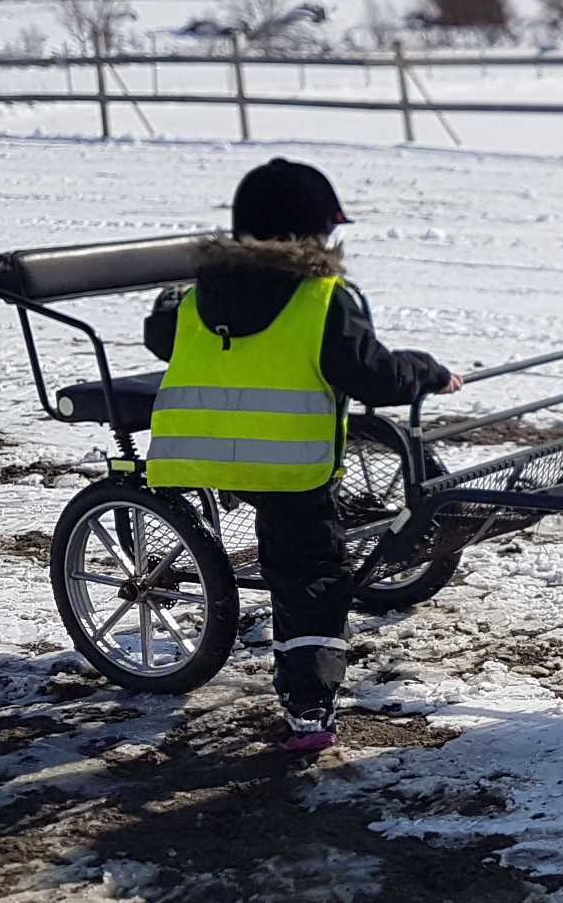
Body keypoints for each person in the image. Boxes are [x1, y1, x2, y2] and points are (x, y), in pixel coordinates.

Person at [143, 158, 461, 752]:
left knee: (297, 556)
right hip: (289, 469)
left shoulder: (191, 298)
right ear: (317, 235)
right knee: (313, 582)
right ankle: (308, 713)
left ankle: (307, 701)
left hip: (196, 456)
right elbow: (374, 378)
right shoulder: (323, 299)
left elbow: (160, 338)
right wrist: (430, 372)